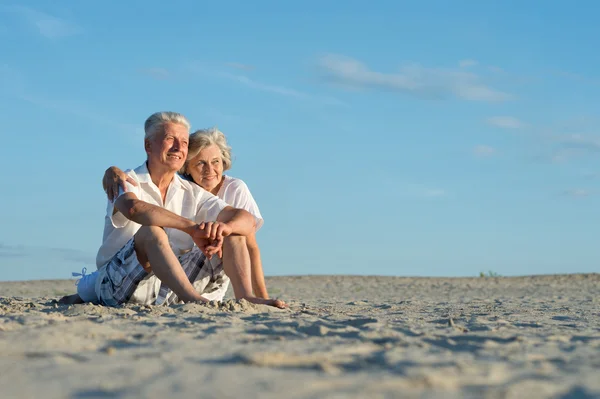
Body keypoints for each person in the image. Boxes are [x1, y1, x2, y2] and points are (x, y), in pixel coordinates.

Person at [60, 112, 286, 308]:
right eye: (170, 139)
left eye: (185, 142)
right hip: (118, 285)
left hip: (166, 289)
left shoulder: (192, 191)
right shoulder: (125, 179)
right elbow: (135, 208)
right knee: (152, 232)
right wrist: (192, 228)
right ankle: (194, 300)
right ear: (148, 145)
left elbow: (245, 220)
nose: (179, 147)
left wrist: (223, 228)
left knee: (230, 231)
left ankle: (246, 297)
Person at [102, 128, 270, 302]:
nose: (209, 170)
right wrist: (112, 171)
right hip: (165, 268)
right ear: (187, 167)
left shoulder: (234, 189)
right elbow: (136, 207)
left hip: (204, 273)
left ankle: (245, 297)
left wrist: (263, 298)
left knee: (235, 233)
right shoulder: (182, 187)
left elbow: (250, 244)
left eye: (216, 162)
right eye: (200, 163)